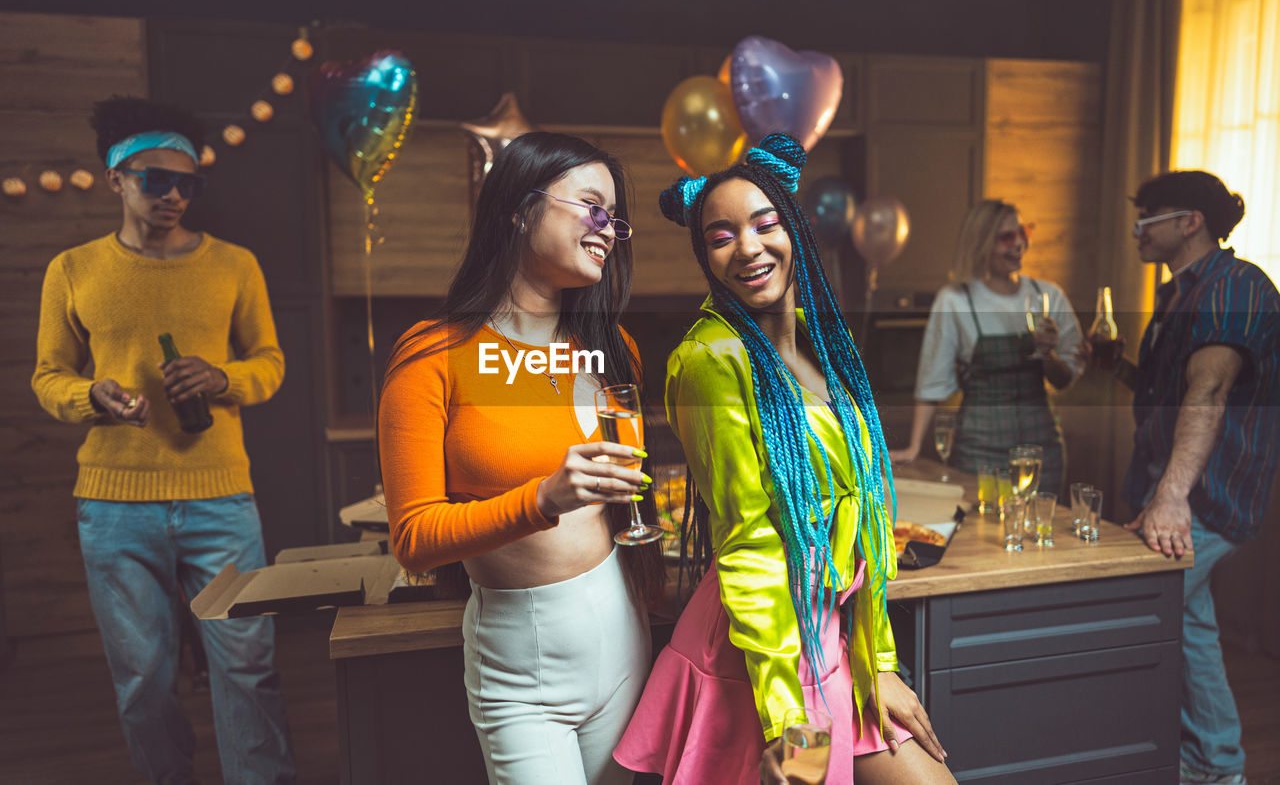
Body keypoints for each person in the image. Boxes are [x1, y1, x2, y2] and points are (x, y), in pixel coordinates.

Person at [613, 134, 955, 785]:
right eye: (720, 235)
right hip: (763, 651)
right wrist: (787, 715)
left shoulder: (830, 344)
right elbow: (748, 540)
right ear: (705, 257)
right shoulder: (711, 359)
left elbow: (869, 515)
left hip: (835, 639)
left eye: (765, 223)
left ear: (795, 227)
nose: (748, 246)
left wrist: (877, 659)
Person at [377, 132, 665, 785]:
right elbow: (415, 540)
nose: (608, 231)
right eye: (592, 207)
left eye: (614, 220)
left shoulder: (611, 348)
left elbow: (625, 501)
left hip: (624, 633)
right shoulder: (431, 356)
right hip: (520, 661)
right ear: (519, 207)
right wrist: (542, 498)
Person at [31, 97, 295, 784]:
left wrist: (222, 377)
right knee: (143, 681)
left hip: (221, 499)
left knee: (246, 667)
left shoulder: (234, 265)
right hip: (115, 507)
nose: (175, 194)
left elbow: (270, 362)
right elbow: (48, 375)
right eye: (157, 179)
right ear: (116, 176)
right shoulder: (73, 269)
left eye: (190, 183)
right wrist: (91, 395)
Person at [1093, 170, 1278, 785]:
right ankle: (1207, 765)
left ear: (1189, 222)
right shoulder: (1179, 295)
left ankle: (1215, 767)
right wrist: (1116, 365)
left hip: (1210, 493)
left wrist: (1171, 496)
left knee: (1152, 605)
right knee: (1184, 615)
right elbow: (1171, 392)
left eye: (1148, 218)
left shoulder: (1236, 285)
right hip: (1169, 489)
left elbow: (1211, 388)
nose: (1137, 230)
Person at [888, 199, 1083, 496]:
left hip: (1040, 449)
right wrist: (915, 446)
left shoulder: (1049, 296)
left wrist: (1048, 354)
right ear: (981, 243)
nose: (1018, 243)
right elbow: (932, 381)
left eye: (1023, 232)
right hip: (977, 452)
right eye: (1006, 237)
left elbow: (1064, 378)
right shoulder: (955, 300)